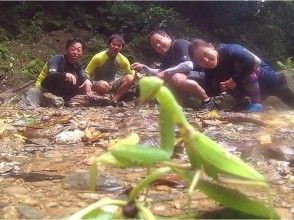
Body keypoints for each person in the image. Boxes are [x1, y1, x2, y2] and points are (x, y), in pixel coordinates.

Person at [188, 38, 285, 112]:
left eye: (205, 54)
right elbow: (211, 91)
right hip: (252, 90)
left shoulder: (228, 49)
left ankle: (256, 104)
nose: (206, 60)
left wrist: (234, 80)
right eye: (200, 60)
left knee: (241, 64)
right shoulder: (208, 69)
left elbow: (252, 61)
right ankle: (242, 103)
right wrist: (222, 88)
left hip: (268, 80)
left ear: (211, 46)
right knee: (222, 81)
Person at [131, 30, 213, 110]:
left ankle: (207, 100)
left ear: (167, 36)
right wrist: (144, 68)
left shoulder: (179, 43)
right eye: (154, 45)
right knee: (162, 78)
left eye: (159, 41)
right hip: (193, 76)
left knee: (176, 77)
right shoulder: (166, 55)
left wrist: (166, 72)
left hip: (206, 74)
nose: (158, 46)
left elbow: (188, 65)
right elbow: (160, 72)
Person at [85, 34, 135, 104]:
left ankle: (115, 99)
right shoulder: (99, 57)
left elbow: (131, 73)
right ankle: (109, 95)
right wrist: (88, 83)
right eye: (114, 44)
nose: (116, 47)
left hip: (112, 83)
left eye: (119, 46)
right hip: (98, 83)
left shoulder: (122, 59)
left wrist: (137, 76)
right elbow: (87, 72)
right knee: (104, 85)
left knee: (130, 78)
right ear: (108, 45)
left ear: (121, 48)